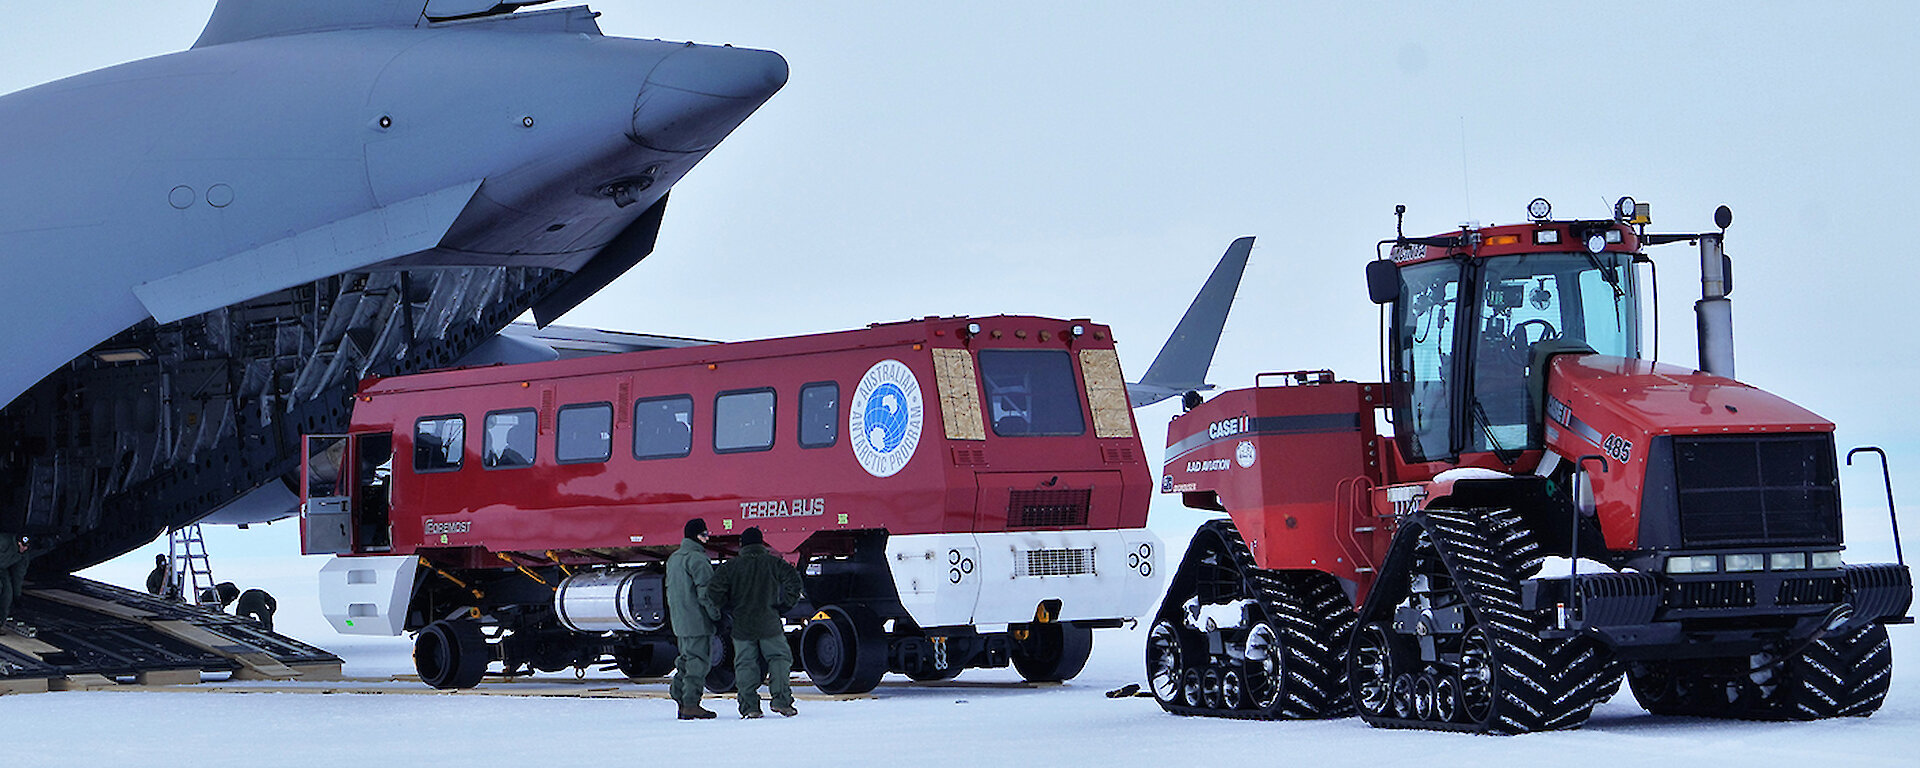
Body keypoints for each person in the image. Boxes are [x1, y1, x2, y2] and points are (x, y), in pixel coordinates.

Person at [707, 526, 804, 719]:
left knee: (745, 663)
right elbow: (794, 581)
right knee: (778, 658)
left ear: (742, 545)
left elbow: (713, 590)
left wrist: (726, 607)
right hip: (769, 622)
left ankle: (750, 707)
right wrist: (785, 605)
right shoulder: (773, 563)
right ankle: (782, 701)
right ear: (761, 543)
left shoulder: (731, 566)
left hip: (742, 624)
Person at [666, 518, 719, 720]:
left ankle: (679, 696)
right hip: (697, 620)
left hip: (680, 620)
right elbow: (706, 593)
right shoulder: (697, 559)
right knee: (698, 662)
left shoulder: (674, 559)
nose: (707, 537)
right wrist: (716, 615)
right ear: (695, 535)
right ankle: (691, 704)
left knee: (686, 659)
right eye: (704, 534)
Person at [0, 533, 36, 637]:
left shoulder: (23, 555)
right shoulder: (3, 541)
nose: (23, 548)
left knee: (7, 594)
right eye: (22, 545)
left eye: (26, 546)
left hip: (2, 570)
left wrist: (17, 595)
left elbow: (18, 575)